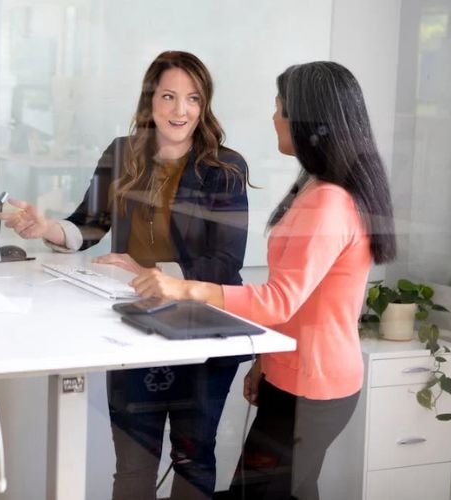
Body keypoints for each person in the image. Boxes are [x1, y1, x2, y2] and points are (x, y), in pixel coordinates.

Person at [130, 61, 397, 500]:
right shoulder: (317, 185)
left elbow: (279, 300)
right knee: (288, 489)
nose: (274, 118)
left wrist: (180, 287)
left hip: (313, 384)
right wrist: (265, 363)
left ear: (311, 122)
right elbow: (303, 298)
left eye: (280, 109)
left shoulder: (328, 201)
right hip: (296, 375)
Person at [0, 51, 252, 499]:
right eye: (169, 96)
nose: (180, 110)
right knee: (133, 466)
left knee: (194, 460)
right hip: (136, 327)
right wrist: (46, 228)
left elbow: (225, 262)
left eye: (192, 98)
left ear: (204, 104)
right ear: (150, 101)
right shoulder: (122, 153)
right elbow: (89, 225)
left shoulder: (224, 168)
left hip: (202, 326)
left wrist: (148, 270)